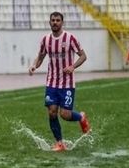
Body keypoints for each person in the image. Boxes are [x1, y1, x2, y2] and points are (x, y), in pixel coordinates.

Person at [28, 12, 92, 152]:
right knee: (52, 112)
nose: (55, 22)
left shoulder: (70, 38)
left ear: (62, 22)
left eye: (58, 20)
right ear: (49, 22)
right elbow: (40, 57)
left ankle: (81, 117)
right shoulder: (45, 40)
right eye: (53, 20)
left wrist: (72, 66)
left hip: (67, 83)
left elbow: (83, 56)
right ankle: (59, 143)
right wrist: (34, 66)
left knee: (65, 114)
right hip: (52, 82)